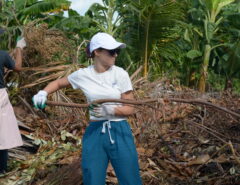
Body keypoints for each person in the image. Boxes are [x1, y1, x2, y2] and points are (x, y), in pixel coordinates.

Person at [32, 32, 142, 185]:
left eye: (117, 51)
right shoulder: (83, 75)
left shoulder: (120, 74)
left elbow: (130, 108)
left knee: (130, 178)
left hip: (119, 130)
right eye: (111, 51)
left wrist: (111, 110)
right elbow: (58, 83)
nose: (115, 55)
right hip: (95, 132)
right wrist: (43, 92)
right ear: (97, 52)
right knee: (92, 178)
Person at [0, 32, 26, 174]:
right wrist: (19, 49)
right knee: (2, 135)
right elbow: (18, 67)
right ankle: (2, 170)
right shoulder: (2, 55)